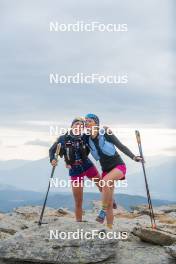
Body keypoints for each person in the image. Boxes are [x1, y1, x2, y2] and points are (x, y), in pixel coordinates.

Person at [85, 113, 143, 228]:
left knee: (104, 182)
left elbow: (121, 146)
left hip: (119, 167)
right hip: (106, 170)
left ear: (96, 123)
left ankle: (102, 210)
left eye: (89, 121)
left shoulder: (106, 133)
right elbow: (83, 155)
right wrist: (70, 162)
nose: (87, 123)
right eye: (85, 121)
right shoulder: (87, 139)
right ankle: (109, 228)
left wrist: (134, 157)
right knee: (110, 203)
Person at [49, 117, 102, 222]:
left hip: (87, 164)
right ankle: (79, 223)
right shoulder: (63, 138)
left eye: (81, 125)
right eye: (76, 124)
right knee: (78, 200)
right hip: (74, 169)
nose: (79, 126)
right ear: (72, 125)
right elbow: (52, 150)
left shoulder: (85, 136)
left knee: (102, 186)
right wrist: (53, 160)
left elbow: (96, 134)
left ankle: (109, 204)